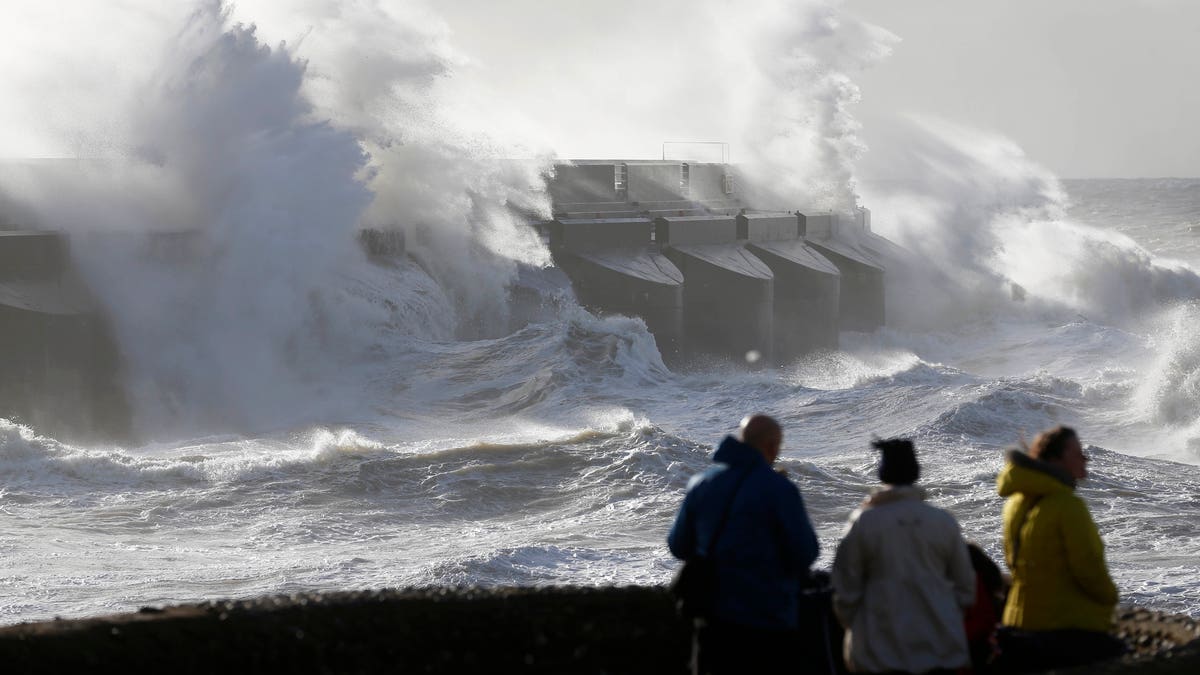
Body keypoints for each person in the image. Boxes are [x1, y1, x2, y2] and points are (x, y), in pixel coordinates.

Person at [667, 414, 820, 675]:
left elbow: (678, 545)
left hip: (713, 621)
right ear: (772, 447)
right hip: (768, 620)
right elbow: (805, 552)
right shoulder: (779, 489)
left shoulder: (702, 484)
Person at [830, 438, 975, 675]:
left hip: (879, 651)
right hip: (939, 648)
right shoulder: (942, 521)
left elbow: (845, 589)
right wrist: (943, 615)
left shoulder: (865, 522)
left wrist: (858, 628)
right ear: (916, 471)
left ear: (882, 473)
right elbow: (965, 588)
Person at [992, 425, 1125, 672]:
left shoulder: (1015, 504)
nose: (1085, 458)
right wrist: (1110, 602)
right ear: (1055, 459)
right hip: (1060, 629)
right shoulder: (1067, 506)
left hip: (1017, 622)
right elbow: (1090, 569)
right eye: (1078, 453)